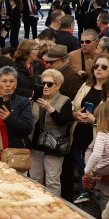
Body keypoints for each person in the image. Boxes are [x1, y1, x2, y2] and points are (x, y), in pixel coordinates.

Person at [71, 54, 109, 204]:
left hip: (99, 142)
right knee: (83, 176)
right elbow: (74, 105)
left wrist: (94, 121)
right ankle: (83, 207)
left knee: (95, 179)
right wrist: (75, 114)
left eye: (104, 67)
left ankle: (93, 211)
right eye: (96, 66)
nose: (99, 69)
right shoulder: (86, 86)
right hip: (79, 138)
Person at [29, 69, 72, 197]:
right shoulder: (36, 98)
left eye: (49, 84)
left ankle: (54, 207)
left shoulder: (65, 100)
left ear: (58, 85)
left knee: (52, 181)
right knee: (35, 179)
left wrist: (50, 109)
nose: (45, 87)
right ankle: (36, 205)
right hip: (35, 145)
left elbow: (64, 122)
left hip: (54, 147)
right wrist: (28, 106)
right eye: (43, 83)